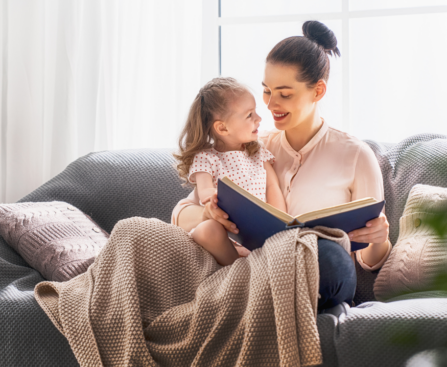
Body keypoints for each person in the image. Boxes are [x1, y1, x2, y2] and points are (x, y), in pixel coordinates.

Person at [172, 20, 392, 310]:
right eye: (267, 90)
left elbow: (367, 260)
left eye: (285, 94)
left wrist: (380, 240)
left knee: (329, 257)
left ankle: (259, 290)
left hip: (323, 273)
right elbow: (180, 213)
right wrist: (208, 214)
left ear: (318, 91)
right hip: (254, 265)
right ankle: (255, 293)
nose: (270, 104)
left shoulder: (355, 156)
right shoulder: (250, 146)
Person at [173, 77, 287, 266]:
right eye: (250, 115)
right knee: (207, 229)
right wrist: (212, 201)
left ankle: (247, 267)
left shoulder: (258, 153)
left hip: (257, 234)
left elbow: (272, 185)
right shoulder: (207, 158)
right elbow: (205, 191)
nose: (259, 118)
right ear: (222, 128)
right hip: (225, 233)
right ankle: (239, 271)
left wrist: (279, 221)